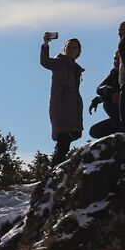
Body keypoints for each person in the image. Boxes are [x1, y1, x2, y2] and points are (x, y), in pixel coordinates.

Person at [39, 33, 84, 164]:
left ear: (79, 52)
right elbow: (44, 61)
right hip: (60, 107)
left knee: (68, 138)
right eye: (68, 47)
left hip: (73, 108)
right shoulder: (58, 63)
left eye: (74, 47)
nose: (71, 49)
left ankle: (56, 170)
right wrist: (46, 44)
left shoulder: (76, 68)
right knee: (63, 138)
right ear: (64, 49)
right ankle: (54, 172)